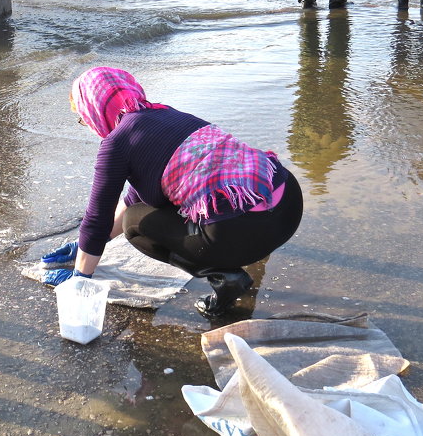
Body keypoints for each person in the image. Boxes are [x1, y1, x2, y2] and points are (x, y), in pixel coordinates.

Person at [39, 67, 303, 319]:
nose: (86, 124)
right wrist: (83, 247)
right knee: (160, 203)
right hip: (287, 205)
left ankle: (223, 275)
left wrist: (81, 279)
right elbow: (137, 195)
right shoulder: (166, 113)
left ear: (94, 110)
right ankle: (252, 249)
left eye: (82, 118)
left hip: (243, 235)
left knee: (135, 223)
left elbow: (98, 217)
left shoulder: (117, 142)